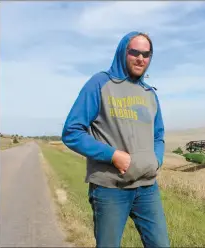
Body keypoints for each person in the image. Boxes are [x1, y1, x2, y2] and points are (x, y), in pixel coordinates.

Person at [61, 31, 169, 248]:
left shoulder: (149, 93)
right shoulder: (100, 83)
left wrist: (155, 160)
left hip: (147, 187)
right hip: (110, 188)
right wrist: (113, 155)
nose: (141, 58)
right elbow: (72, 132)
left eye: (146, 54)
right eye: (135, 52)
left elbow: (158, 135)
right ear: (123, 52)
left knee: (160, 244)